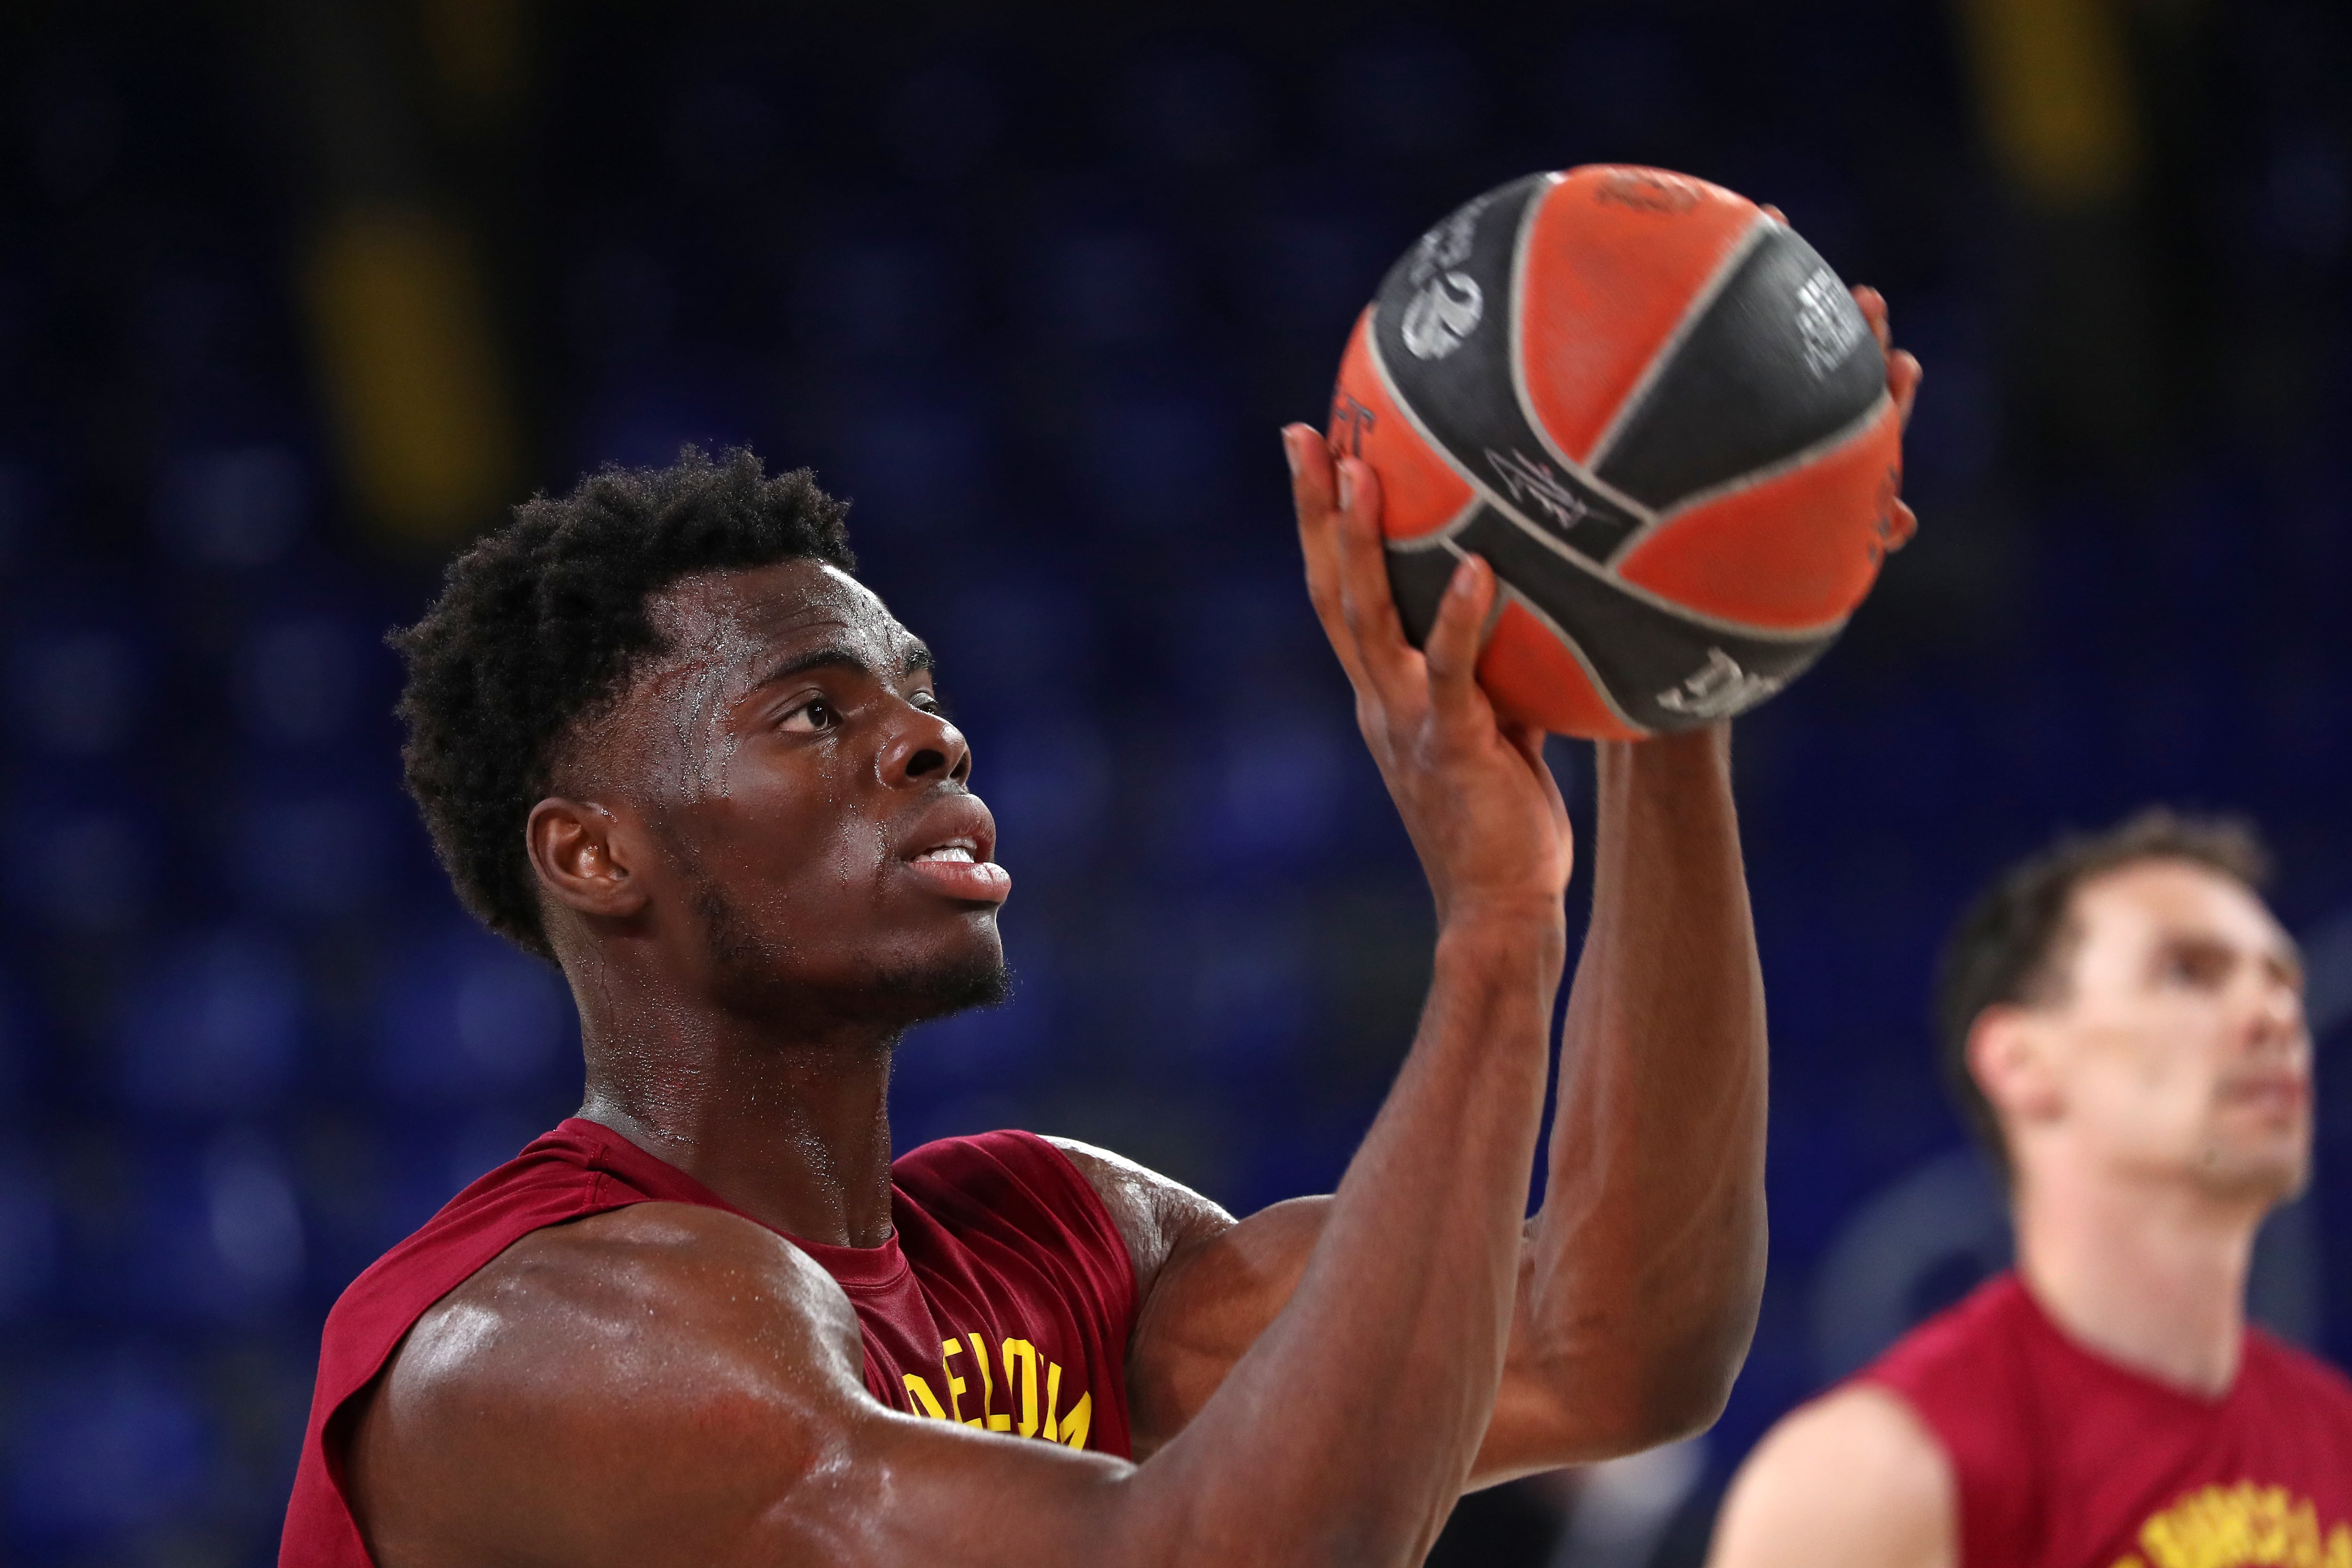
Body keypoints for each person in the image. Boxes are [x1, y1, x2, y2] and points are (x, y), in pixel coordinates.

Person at [278, 297, 1915, 1567]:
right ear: (591, 851)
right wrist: (1495, 934)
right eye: (809, 713)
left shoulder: (1060, 1241)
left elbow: (1617, 1349)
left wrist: (1669, 681)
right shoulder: (543, 1344)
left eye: (920, 696)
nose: (931, 741)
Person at [1708, 811, 2352, 1568]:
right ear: (2020, 1062)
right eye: (2188, 972)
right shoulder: (1870, 1480)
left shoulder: (2338, 1435)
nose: (2274, 1016)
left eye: (2281, 981)